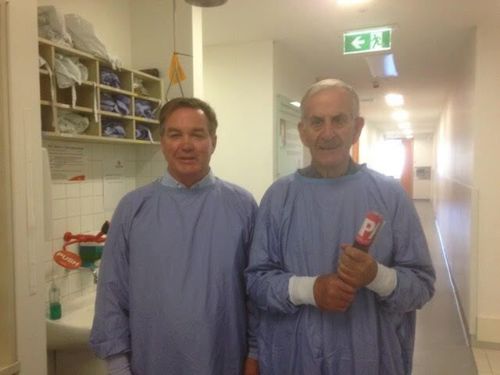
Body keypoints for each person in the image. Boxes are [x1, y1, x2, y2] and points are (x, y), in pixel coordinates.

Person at [245, 79, 435, 375]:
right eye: (317, 122)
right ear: (303, 131)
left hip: (371, 357)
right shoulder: (279, 197)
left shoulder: (390, 195)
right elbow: (257, 282)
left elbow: (421, 286)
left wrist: (376, 276)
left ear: (357, 128)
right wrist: (310, 290)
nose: (328, 133)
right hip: (294, 357)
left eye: (339, 120)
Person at [90, 97, 259, 375]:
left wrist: (254, 353)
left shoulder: (242, 206)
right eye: (175, 134)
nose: (186, 145)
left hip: (224, 357)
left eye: (197, 134)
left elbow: (256, 292)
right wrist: (118, 366)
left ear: (213, 141)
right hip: (152, 360)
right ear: (162, 142)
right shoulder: (133, 208)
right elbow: (111, 292)